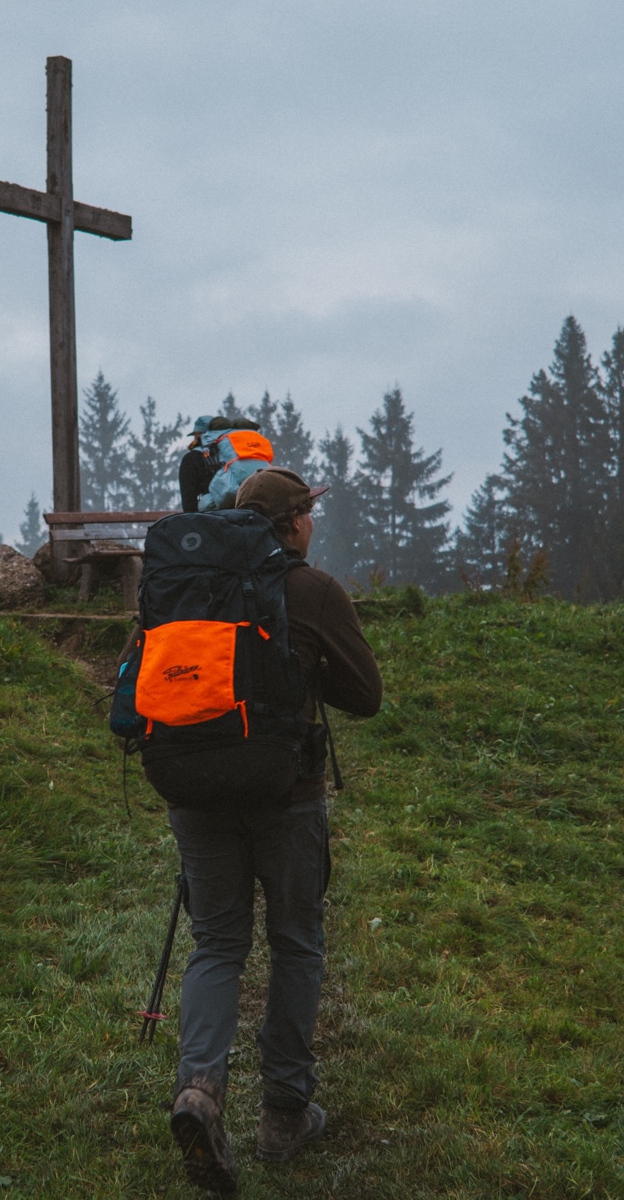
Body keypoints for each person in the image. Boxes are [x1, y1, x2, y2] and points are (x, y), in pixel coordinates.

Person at [167, 466, 382, 1192]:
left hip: (194, 789)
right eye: (308, 514)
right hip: (287, 795)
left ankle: (199, 1088)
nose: (313, 523)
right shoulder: (313, 591)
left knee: (218, 942)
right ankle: (284, 1112)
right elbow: (366, 696)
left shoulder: (189, 587)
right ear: (291, 524)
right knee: (295, 941)